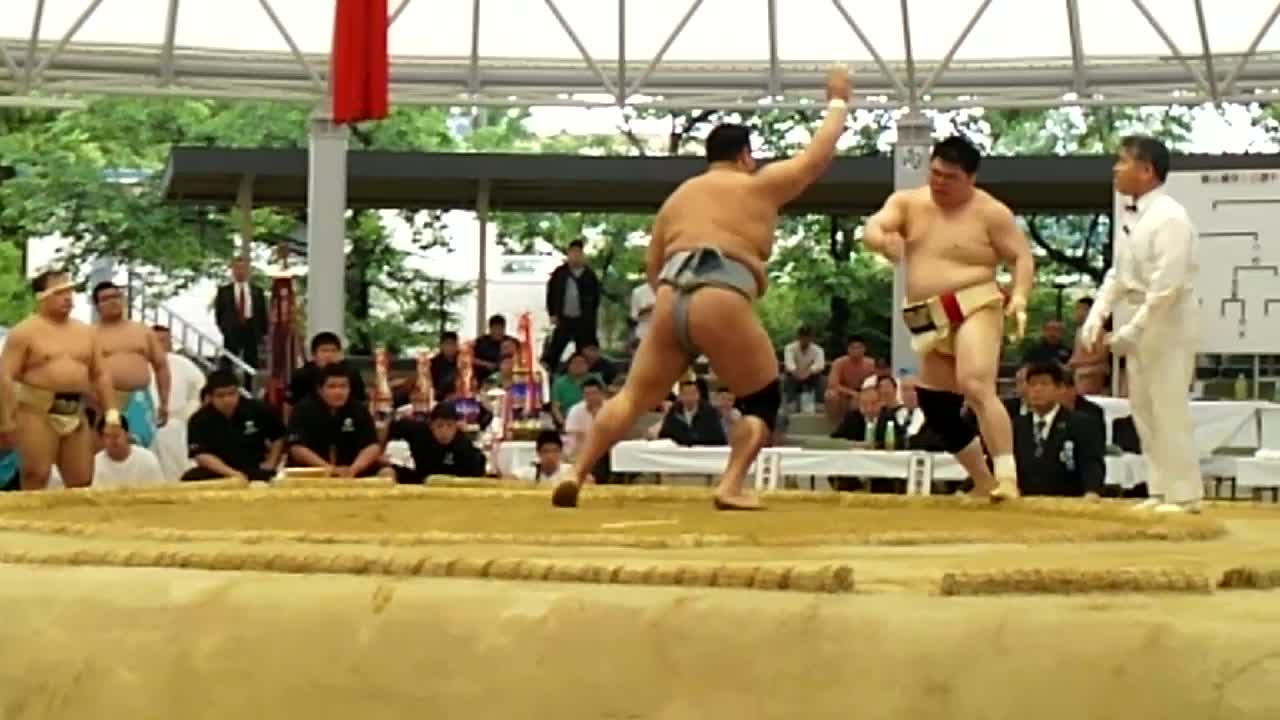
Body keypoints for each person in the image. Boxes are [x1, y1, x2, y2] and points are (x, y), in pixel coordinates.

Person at [552, 65, 852, 510]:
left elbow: (653, 268)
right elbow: (815, 159)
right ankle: (730, 485)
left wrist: (680, 316)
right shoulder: (757, 185)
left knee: (632, 396)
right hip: (722, 291)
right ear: (746, 156)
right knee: (762, 402)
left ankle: (575, 471)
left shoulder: (679, 198)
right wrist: (838, 101)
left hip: (670, 294)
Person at [863, 135, 1034, 501]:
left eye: (950, 177)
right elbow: (874, 226)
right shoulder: (908, 202)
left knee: (975, 384)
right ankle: (983, 481)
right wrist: (881, 241)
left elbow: (1021, 257)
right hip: (927, 313)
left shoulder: (991, 212)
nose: (939, 183)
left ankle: (1007, 476)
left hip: (976, 303)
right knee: (936, 404)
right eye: (935, 173)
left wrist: (1019, 296)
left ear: (970, 178)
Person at [1080, 135, 1201, 513]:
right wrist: (1098, 313)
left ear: (1146, 170)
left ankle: (1185, 494)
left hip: (1168, 318)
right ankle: (1160, 488)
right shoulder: (1131, 216)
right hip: (1137, 310)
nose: (1116, 169)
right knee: (1143, 408)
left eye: (1123, 161)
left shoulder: (1171, 217)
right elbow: (1118, 274)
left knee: (1168, 406)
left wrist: (1135, 329)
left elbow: (1168, 285)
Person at [0, 270, 119, 489]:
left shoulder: (87, 333)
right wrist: (6, 419)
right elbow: (5, 375)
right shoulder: (24, 332)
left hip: (75, 410)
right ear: (41, 297)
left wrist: (112, 415)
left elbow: (101, 374)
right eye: (59, 292)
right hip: (36, 411)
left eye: (69, 291)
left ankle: (74, 514)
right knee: (36, 474)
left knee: (82, 479)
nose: (67, 297)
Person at [92, 281, 170, 449]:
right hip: (104, 400)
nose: (113, 301)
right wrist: (94, 399)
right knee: (108, 448)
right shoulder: (89, 335)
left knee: (140, 448)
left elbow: (161, 366)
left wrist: (164, 402)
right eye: (106, 299)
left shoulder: (143, 331)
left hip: (139, 398)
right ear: (97, 306)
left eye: (116, 296)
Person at [183, 370, 285, 482]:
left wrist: (271, 462)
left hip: (254, 468)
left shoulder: (257, 409)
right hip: (218, 471)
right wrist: (233, 474)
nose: (227, 400)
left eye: (231, 393)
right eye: (221, 395)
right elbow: (201, 455)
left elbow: (279, 436)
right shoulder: (198, 420)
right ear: (210, 397)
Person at [286, 364, 387, 478]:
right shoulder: (303, 409)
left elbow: (372, 446)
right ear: (320, 390)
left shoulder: (359, 409)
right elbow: (297, 448)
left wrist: (355, 468)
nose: (338, 392)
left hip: (352, 469)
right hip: (313, 470)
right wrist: (329, 468)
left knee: (387, 472)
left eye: (343, 386)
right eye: (332, 387)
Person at [149, 325, 206, 479]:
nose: (160, 344)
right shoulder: (140, 365)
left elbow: (200, 390)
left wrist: (189, 413)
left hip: (179, 422)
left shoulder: (184, 364)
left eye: (164, 340)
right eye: (156, 340)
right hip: (146, 423)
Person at [384, 401, 486, 484]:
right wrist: (381, 451)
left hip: (451, 487)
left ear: (456, 427)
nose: (444, 431)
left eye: (449, 425)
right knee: (387, 472)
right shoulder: (418, 431)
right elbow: (391, 426)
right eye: (440, 425)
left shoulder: (463, 445)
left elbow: (477, 473)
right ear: (431, 426)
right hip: (421, 481)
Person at [542, 239, 601, 370]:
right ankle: (550, 372)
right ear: (568, 254)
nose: (575, 256)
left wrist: (591, 318)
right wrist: (552, 313)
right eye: (573, 252)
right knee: (554, 350)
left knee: (585, 352)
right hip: (564, 318)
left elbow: (596, 299)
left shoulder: (589, 275)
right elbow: (551, 294)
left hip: (583, 321)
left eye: (578, 253)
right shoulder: (559, 273)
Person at [285, 332, 367, 421]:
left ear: (340, 354)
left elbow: (362, 403)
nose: (329, 355)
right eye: (324, 351)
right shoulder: (301, 376)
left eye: (333, 351)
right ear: (313, 355)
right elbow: (290, 405)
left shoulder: (351, 374)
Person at [214, 257, 268, 370]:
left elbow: (262, 313)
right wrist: (225, 328)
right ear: (233, 271)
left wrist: (262, 333)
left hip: (251, 329)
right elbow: (219, 313)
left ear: (248, 271)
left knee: (251, 361)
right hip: (232, 330)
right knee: (229, 361)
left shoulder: (257, 291)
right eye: (237, 268)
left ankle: (249, 381)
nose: (240, 271)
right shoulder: (224, 291)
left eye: (243, 268)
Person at [91, 415, 166, 489]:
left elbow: (160, 492)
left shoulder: (147, 459)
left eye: (117, 435)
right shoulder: (95, 464)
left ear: (127, 434)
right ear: (101, 439)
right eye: (108, 436)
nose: (113, 440)